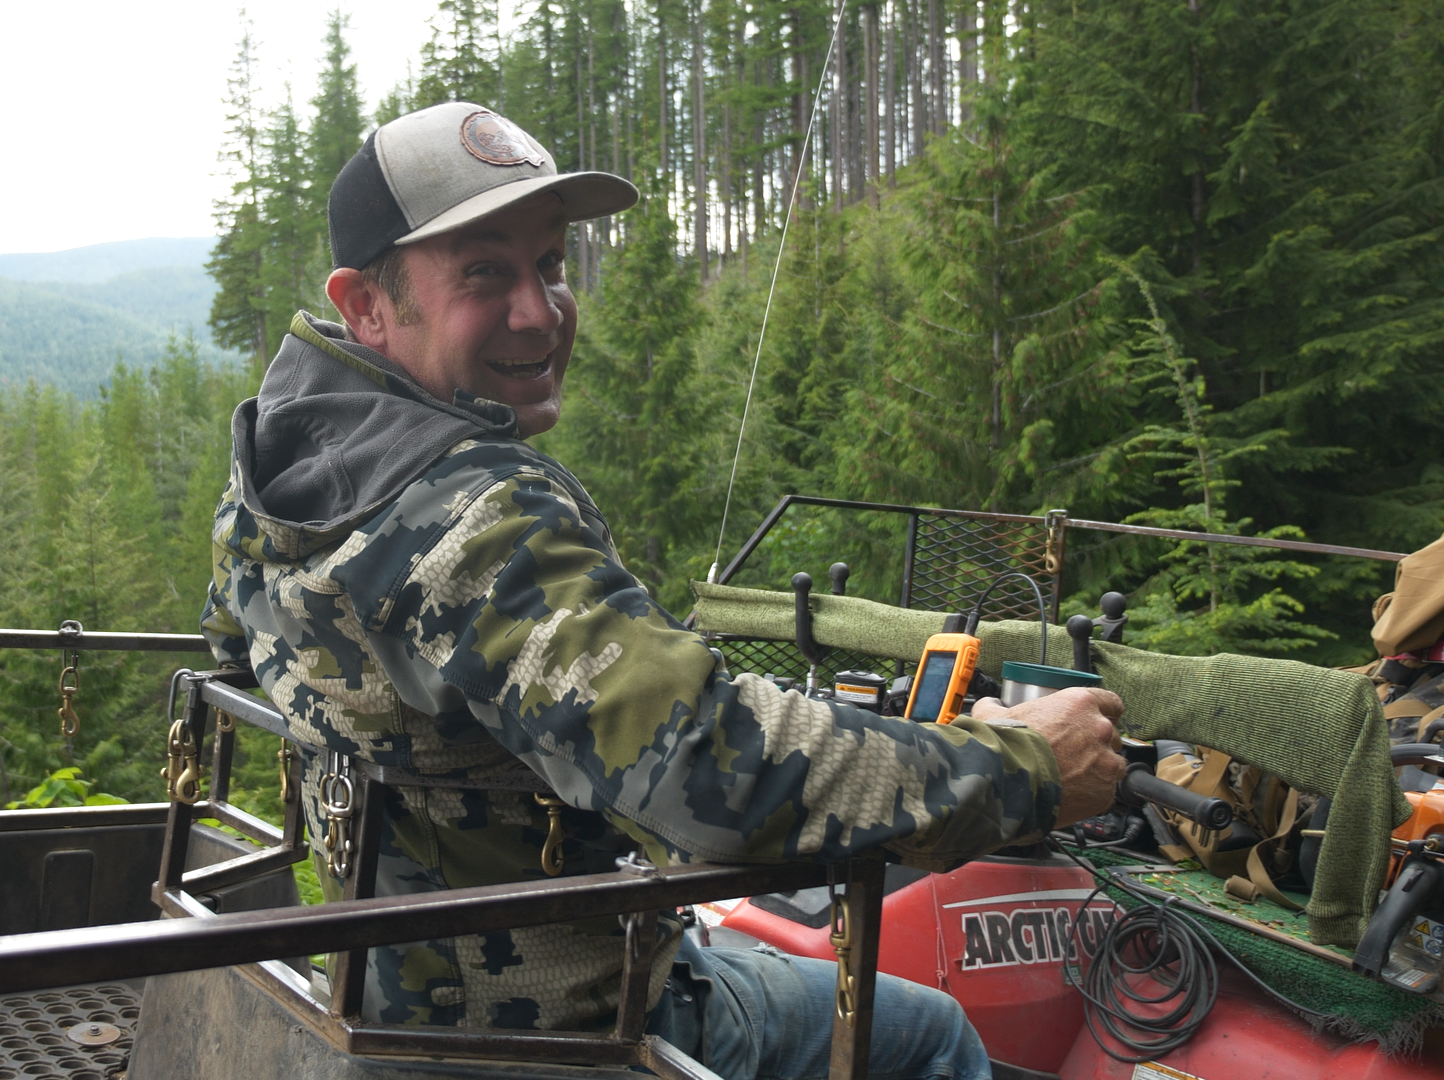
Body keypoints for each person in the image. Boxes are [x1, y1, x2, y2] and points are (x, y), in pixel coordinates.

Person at [200, 101, 1125, 1080]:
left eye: (550, 266)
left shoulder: (282, 466)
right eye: (483, 273)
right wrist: (1026, 764)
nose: (538, 311)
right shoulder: (467, 508)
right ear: (367, 306)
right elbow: (710, 770)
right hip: (570, 1026)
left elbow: (236, 646)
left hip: (379, 990)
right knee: (928, 1032)